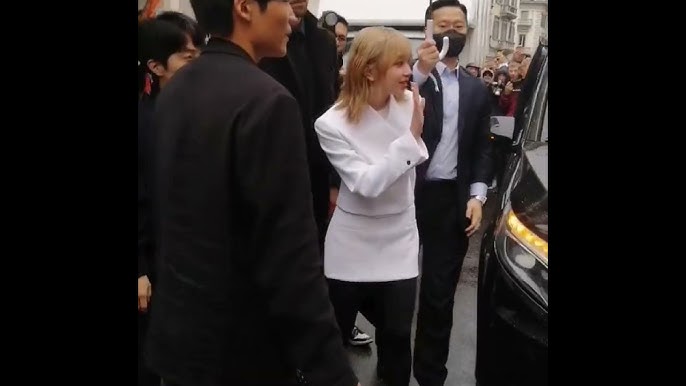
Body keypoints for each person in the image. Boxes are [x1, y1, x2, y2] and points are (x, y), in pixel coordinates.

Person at [144, 1, 359, 386]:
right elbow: (290, 259)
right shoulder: (268, 102)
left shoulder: (175, 91)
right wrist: (332, 371)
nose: (291, 17)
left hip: (179, 341)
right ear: (244, 8)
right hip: (242, 350)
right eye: (280, 2)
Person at [315, 26, 428, 386]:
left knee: (396, 335)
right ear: (369, 70)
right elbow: (366, 185)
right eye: (399, 63)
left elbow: (416, 159)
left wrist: (411, 141)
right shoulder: (330, 123)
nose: (409, 71)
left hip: (400, 237)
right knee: (335, 331)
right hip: (352, 239)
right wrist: (410, 140)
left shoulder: (413, 103)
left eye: (408, 62)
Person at [259, 0, 373, 348]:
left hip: (318, 170)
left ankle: (319, 342)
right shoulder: (264, 35)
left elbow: (331, 106)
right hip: (271, 169)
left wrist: (335, 182)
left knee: (319, 259)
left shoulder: (323, 42)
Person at [411, 1, 494, 385]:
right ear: (429, 30)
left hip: (451, 202)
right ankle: (394, 366)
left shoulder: (478, 89)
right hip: (406, 197)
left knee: (439, 296)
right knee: (394, 289)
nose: (451, 31)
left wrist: (477, 197)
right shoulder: (413, 78)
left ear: (467, 31)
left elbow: (482, 148)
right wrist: (420, 72)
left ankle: (430, 376)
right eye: (442, 25)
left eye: (457, 25)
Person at [137, 17, 201, 386]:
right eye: (186, 56)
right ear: (156, 66)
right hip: (153, 268)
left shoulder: (196, 112)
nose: (198, 63)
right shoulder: (145, 121)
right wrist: (140, 268)